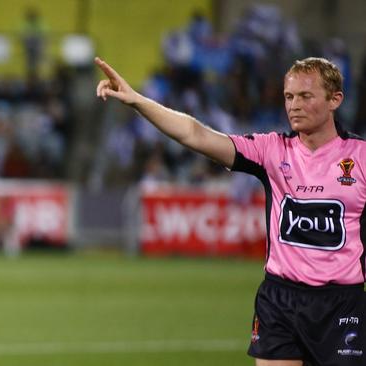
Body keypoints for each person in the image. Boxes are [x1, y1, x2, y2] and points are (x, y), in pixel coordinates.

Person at [95, 55, 366, 366]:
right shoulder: (272, 150)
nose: (294, 105)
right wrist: (137, 101)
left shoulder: (360, 157)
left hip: (342, 305)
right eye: (289, 96)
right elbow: (195, 134)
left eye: (305, 96)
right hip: (280, 300)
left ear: (335, 99)